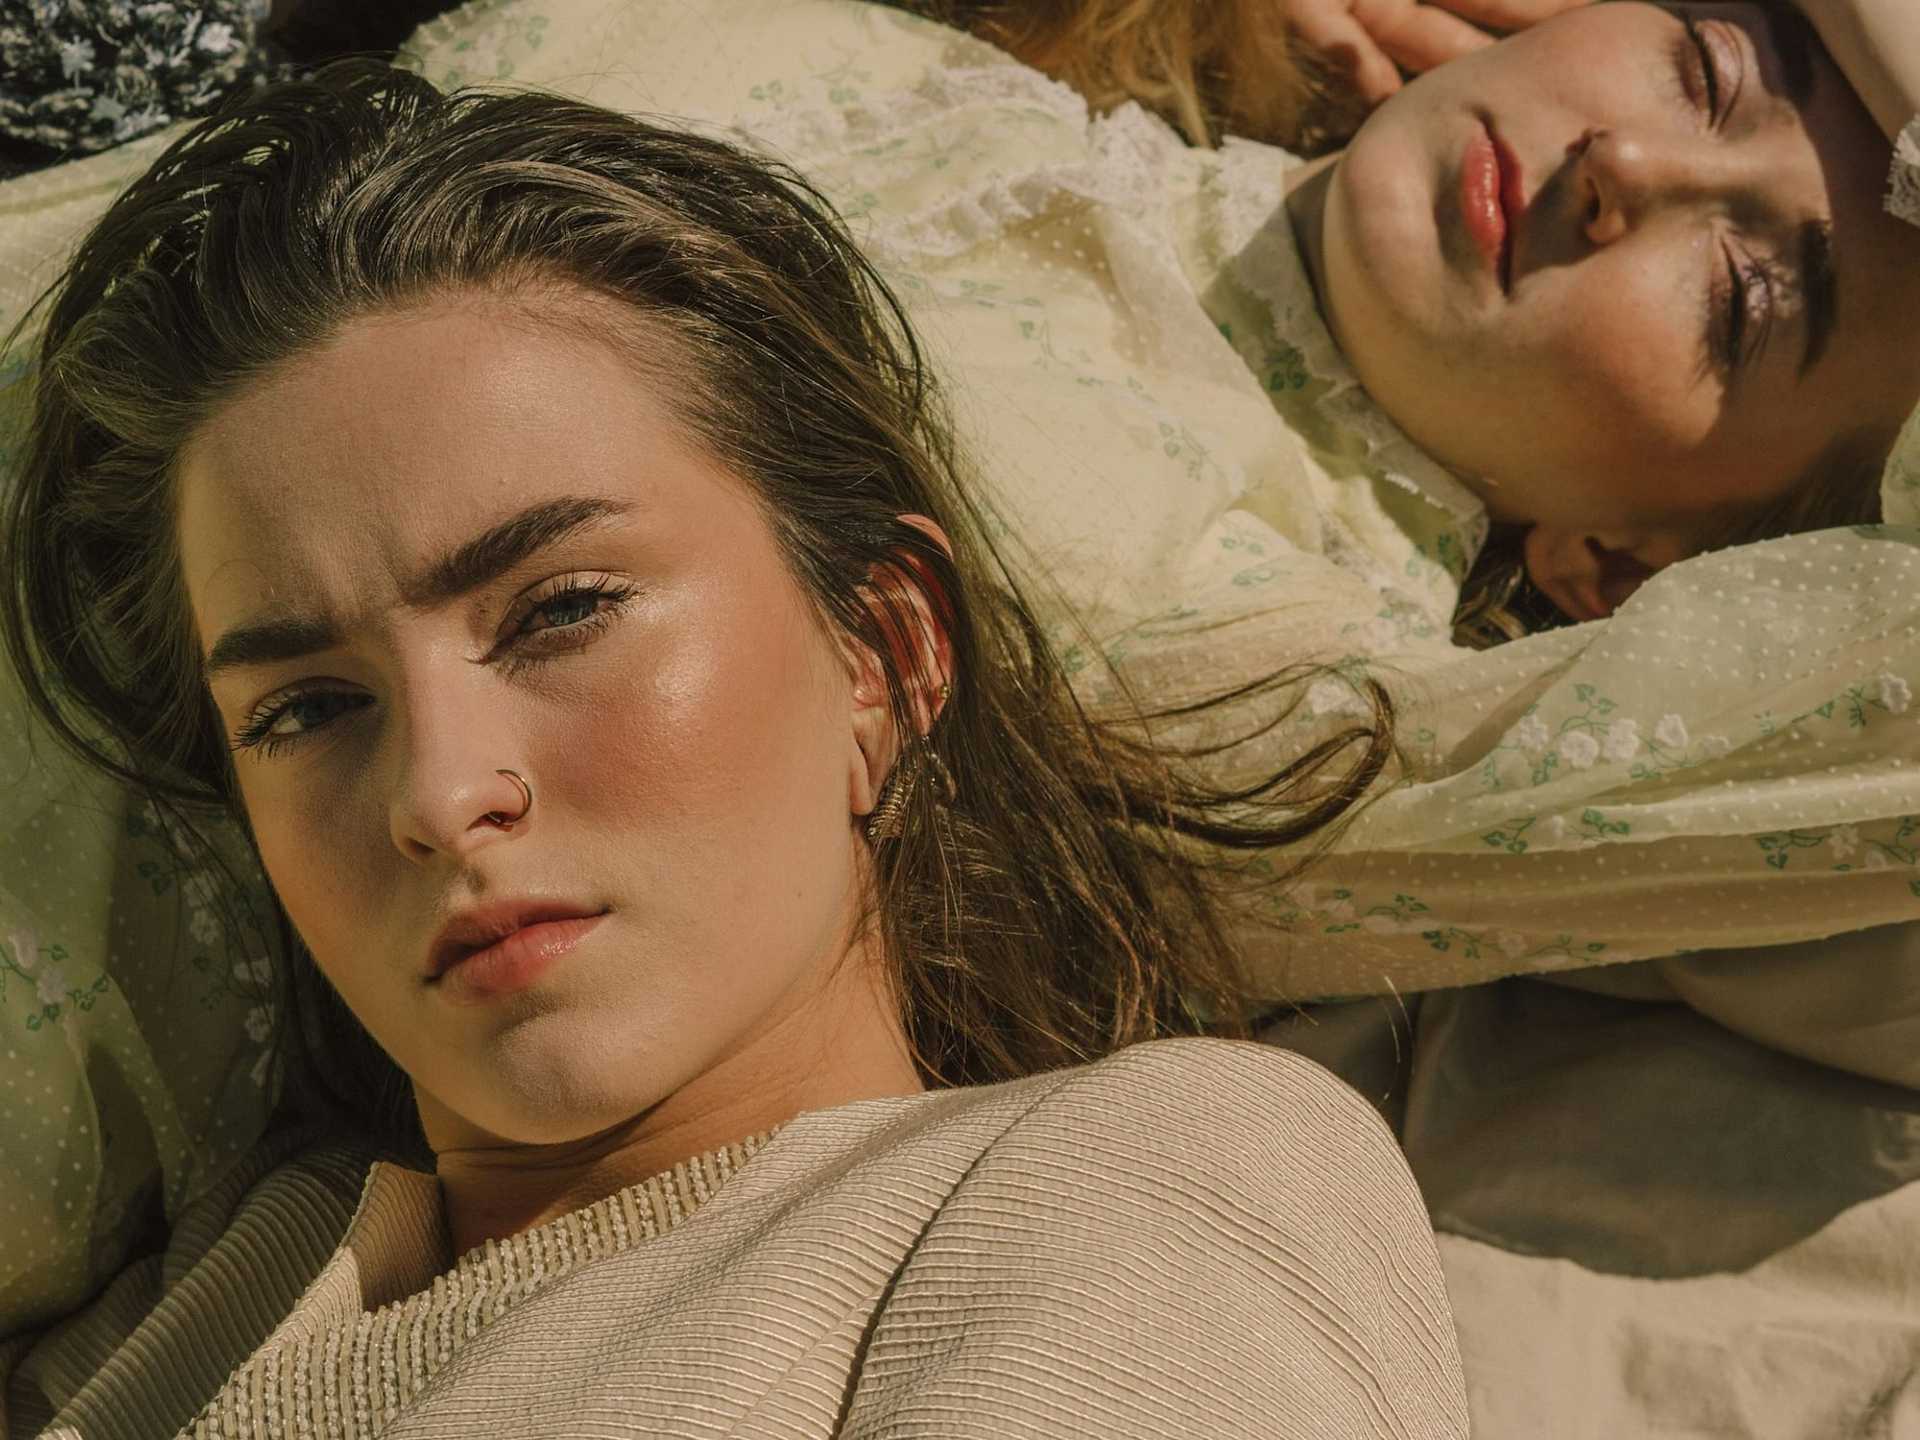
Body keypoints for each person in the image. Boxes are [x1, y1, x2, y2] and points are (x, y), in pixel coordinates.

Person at [0, 52, 1467, 1437]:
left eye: (564, 610)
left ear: (885, 652)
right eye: (307, 710)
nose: (440, 796)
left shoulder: (1145, 1177)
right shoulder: (182, 1316)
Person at [921, 0, 1920, 644]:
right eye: (1704, 70)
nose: (1628, 162)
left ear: (1619, 569)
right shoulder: (1052, 55)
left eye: (1742, 298)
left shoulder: (1280, 660)